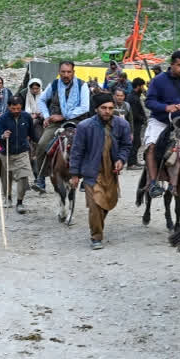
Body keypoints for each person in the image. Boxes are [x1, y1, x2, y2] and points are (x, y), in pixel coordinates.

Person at [69, 93, 132, 250]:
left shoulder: (122, 125)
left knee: (107, 203)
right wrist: (75, 174)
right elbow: (77, 151)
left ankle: (98, 227)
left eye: (110, 108)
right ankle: (96, 236)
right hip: (92, 173)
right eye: (103, 108)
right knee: (95, 205)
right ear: (96, 109)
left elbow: (126, 145)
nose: (107, 111)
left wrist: (121, 159)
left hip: (110, 172)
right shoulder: (84, 127)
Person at [144, 50, 180, 198]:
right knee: (151, 146)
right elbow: (149, 101)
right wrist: (166, 107)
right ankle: (153, 183)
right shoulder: (158, 81)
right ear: (171, 65)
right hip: (161, 120)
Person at [35, 61, 90, 185]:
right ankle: (41, 177)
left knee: (90, 144)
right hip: (55, 122)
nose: (66, 74)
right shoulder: (54, 85)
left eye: (69, 72)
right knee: (42, 144)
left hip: (77, 121)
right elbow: (42, 100)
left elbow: (85, 107)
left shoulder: (82, 85)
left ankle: (87, 177)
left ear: (73, 72)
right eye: (63, 72)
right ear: (59, 72)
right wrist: (47, 116)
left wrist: (64, 116)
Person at [0, 95, 34, 214]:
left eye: (18, 109)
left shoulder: (27, 117)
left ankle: (20, 202)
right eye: (13, 109)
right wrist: (2, 136)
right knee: (6, 177)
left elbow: (31, 133)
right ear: (8, 107)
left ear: (21, 107)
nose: (16, 111)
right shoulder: (2, 119)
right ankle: (8, 197)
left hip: (22, 152)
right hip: (6, 153)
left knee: (23, 177)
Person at [127, 78, 147, 168]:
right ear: (138, 86)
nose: (143, 88)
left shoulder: (135, 96)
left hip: (136, 123)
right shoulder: (133, 98)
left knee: (137, 142)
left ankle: (134, 161)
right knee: (135, 142)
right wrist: (143, 119)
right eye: (142, 86)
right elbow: (134, 114)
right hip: (134, 124)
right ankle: (131, 163)